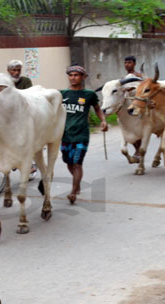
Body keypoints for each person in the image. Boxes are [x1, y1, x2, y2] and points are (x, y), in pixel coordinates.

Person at [60, 64, 108, 204]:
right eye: (71, 75)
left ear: (82, 77)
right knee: (68, 162)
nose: (73, 78)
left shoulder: (89, 95)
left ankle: (73, 192)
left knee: (77, 163)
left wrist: (103, 121)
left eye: (76, 75)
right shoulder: (62, 94)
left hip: (81, 135)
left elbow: (97, 109)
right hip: (65, 134)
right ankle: (77, 183)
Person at [7, 60, 37, 180]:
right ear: (8, 71)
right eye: (13, 70)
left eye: (18, 70)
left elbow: (29, 95)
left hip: (23, 113)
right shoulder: (5, 82)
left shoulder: (26, 81)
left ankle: (29, 164)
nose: (16, 72)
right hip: (8, 116)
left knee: (25, 139)